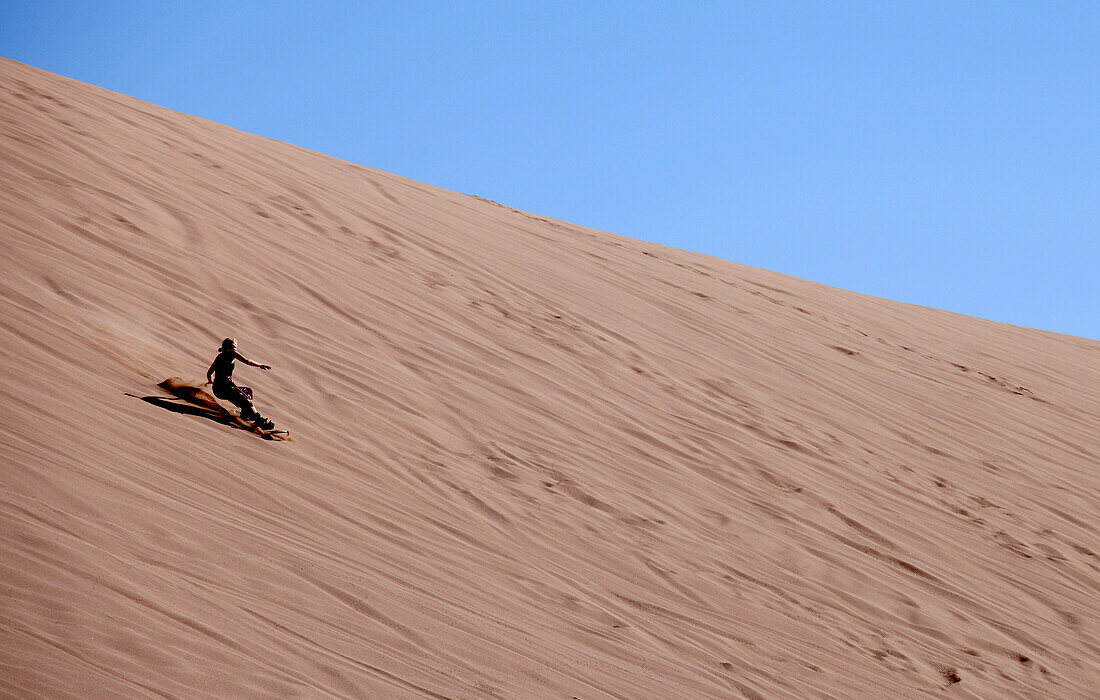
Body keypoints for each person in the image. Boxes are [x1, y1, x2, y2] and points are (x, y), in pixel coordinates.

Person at [206, 338, 274, 429]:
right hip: (226, 387)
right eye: (234, 346)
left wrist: (210, 382)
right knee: (245, 399)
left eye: (235, 347)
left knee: (246, 392)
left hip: (217, 389)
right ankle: (259, 420)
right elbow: (247, 361)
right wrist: (260, 365)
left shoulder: (219, 356)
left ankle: (246, 415)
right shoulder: (232, 353)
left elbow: (209, 373)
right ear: (228, 347)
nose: (235, 349)